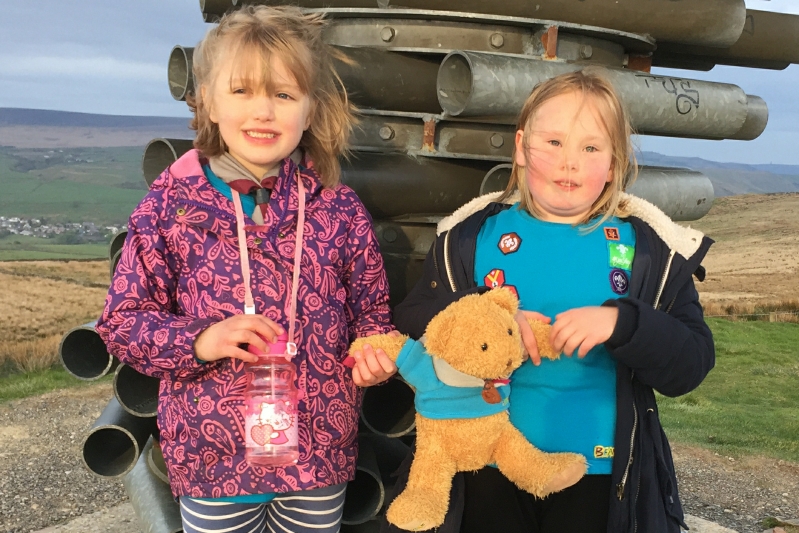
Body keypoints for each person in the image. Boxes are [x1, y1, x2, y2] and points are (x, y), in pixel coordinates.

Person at [96, 6, 397, 533]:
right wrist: (199, 340)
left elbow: (371, 312)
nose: (263, 112)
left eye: (283, 95)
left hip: (316, 456)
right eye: (242, 92)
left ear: (310, 109)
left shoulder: (339, 208)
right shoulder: (168, 209)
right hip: (213, 461)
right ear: (207, 101)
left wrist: (375, 350)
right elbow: (123, 322)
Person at [390, 69, 715, 533]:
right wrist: (485, 317)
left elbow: (692, 363)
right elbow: (414, 316)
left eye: (591, 147)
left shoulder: (650, 251)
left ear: (614, 160)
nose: (570, 163)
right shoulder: (469, 236)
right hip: (482, 468)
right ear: (521, 148)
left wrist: (623, 324)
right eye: (554, 143)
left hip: (599, 476)